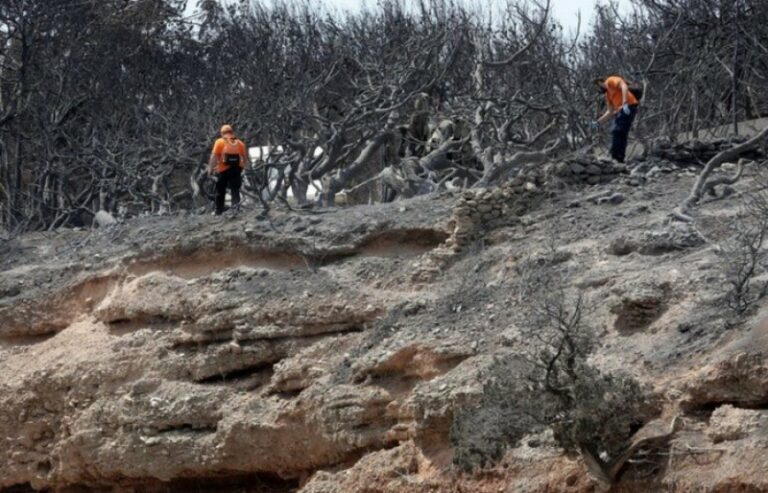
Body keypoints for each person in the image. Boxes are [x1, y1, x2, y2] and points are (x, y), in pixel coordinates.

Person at [591, 76, 640, 163]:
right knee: (620, 133)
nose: (598, 90)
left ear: (599, 82)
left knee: (616, 130)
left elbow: (623, 86)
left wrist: (624, 103)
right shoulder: (608, 95)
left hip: (629, 106)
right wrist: (597, 123)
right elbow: (610, 112)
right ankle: (619, 159)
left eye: (597, 87)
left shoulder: (610, 80)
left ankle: (615, 157)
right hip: (622, 110)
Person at [209, 124, 248, 215]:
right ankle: (235, 209)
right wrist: (243, 167)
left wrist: (210, 169)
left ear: (222, 133)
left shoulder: (219, 142)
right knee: (235, 189)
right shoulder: (240, 143)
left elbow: (214, 157)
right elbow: (245, 157)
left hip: (223, 170)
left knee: (220, 190)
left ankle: (218, 211)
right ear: (232, 132)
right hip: (236, 169)